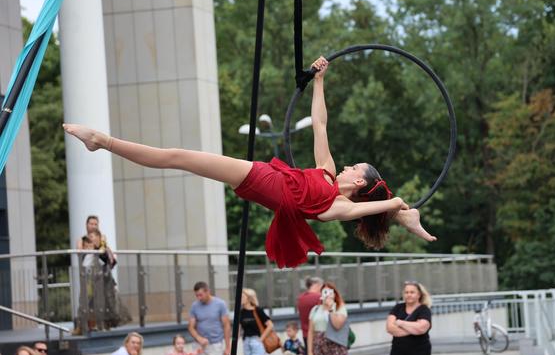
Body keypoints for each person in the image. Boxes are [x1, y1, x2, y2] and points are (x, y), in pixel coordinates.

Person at [63, 57, 436, 270]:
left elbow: (377, 203)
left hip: (261, 179)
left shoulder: (339, 206)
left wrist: (399, 206)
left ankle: (102, 141)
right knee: (179, 157)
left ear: (358, 183)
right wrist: (319, 81)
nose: (348, 166)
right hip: (266, 174)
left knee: (178, 157)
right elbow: (320, 123)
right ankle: (102, 142)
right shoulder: (325, 171)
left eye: (355, 167)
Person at [386, 281, 432, 355]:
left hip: (419, 354)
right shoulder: (397, 308)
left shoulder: (424, 310)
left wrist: (401, 323)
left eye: (412, 292)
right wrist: (413, 328)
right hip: (398, 353)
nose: (409, 295)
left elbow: (422, 328)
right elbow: (390, 328)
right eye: (406, 292)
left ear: (419, 295)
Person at [307, 282, 348, 355]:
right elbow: (311, 331)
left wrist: (331, 309)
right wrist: (310, 352)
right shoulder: (315, 309)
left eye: (330, 292)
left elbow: (337, 325)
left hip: (335, 345)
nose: (327, 295)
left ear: (335, 294)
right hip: (319, 345)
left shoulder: (340, 308)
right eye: (325, 292)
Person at [297, 276, 324, 355]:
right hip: (317, 335)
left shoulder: (301, 298)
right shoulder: (318, 298)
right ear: (317, 285)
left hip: (305, 334)